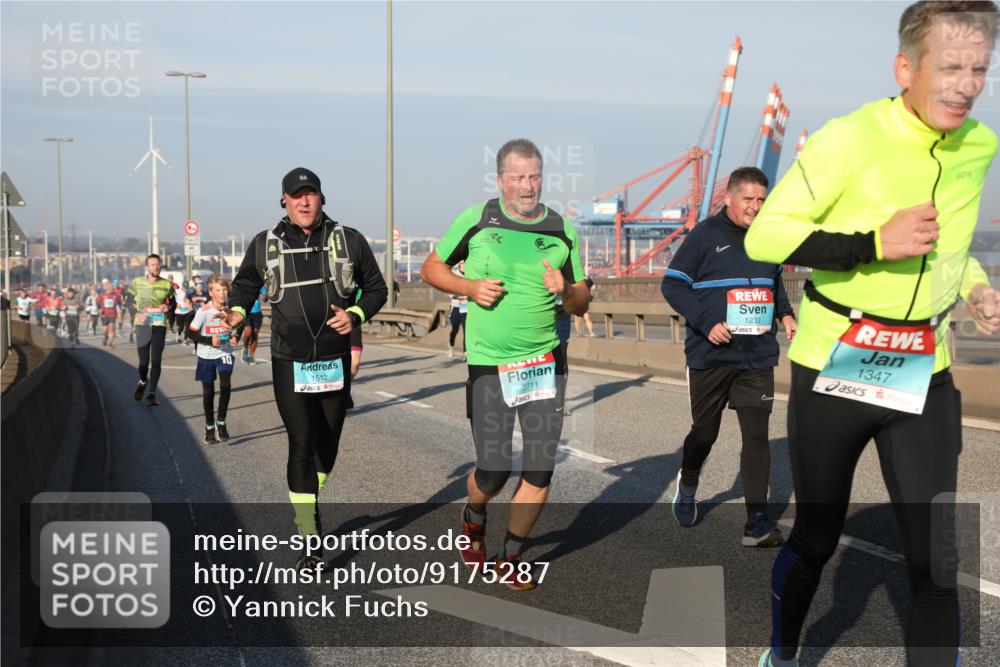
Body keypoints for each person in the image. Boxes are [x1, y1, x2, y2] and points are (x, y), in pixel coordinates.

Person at [743, 4, 999, 665]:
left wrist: (973, 285)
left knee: (936, 561)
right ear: (905, 67)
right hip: (837, 362)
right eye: (951, 68)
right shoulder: (849, 138)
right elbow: (765, 234)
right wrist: (871, 242)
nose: (966, 85)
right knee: (819, 539)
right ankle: (785, 647)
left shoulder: (980, 145)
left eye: (980, 69)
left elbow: (952, 244)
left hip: (924, 366)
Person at [419, 138, 590, 590]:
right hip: (491, 364)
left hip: (545, 361)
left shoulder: (561, 229)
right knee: (493, 471)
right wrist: (469, 287)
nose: (528, 186)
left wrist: (566, 290)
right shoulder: (476, 220)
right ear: (500, 180)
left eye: (534, 176)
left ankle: (511, 555)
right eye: (518, 177)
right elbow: (431, 269)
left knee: (539, 469)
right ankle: (474, 514)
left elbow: (582, 298)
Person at [224, 167, 387, 570]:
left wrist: (355, 314)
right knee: (301, 441)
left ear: (321, 198)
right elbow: (245, 284)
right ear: (284, 201)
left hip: (333, 360)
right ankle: (309, 537)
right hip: (288, 358)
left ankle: (308, 500)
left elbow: (378, 288)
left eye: (310, 194)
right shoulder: (266, 244)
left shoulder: (350, 240)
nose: (303, 201)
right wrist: (237, 311)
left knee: (327, 446)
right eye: (296, 195)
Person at [661, 166, 796, 547]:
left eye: (761, 200)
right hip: (711, 354)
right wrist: (707, 322)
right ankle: (688, 483)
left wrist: (785, 313)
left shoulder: (767, 237)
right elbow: (672, 285)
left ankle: (756, 521)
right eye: (749, 199)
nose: (756, 207)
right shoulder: (705, 236)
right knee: (706, 432)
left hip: (756, 355)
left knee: (757, 437)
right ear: (729, 198)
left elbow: (773, 283)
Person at [188, 275, 236, 444]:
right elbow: (191, 332)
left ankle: (221, 423)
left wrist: (233, 337)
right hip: (206, 355)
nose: (222, 293)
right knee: (208, 392)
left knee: (225, 384)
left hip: (224, 353)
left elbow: (234, 327)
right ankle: (209, 426)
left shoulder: (230, 310)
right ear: (210, 292)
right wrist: (209, 340)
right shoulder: (203, 312)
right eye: (218, 290)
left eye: (224, 289)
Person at [125, 254, 174, 406]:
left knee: (156, 360)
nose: (156, 267)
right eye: (153, 264)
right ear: (147, 267)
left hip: (159, 325)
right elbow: (128, 301)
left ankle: (152, 393)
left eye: (158, 264)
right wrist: (137, 314)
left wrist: (169, 307)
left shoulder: (167, 284)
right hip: (142, 325)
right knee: (144, 362)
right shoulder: (137, 283)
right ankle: (143, 380)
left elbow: (173, 303)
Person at [241, 286, 266, 365]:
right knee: (248, 333)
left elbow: (265, 299)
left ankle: (251, 356)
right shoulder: (245, 284)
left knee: (255, 335)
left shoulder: (261, 285)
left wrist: (264, 297)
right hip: (246, 312)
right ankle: (245, 349)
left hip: (257, 313)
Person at [447, 262, 468, 359]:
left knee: (466, 330)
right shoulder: (455, 275)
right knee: (454, 329)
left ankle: (465, 353)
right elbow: (450, 290)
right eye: (463, 263)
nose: (465, 264)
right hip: (455, 306)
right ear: (459, 265)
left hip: (466, 306)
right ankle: (451, 345)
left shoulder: (471, 275)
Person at [98, 279, 120, 348]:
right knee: (105, 330)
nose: (111, 288)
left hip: (112, 314)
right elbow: (98, 303)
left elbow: (119, 304)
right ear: (106, 287)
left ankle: (110, 343)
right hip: (104, 314)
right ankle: (105, 337)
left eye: (112, 287)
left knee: (111, 328)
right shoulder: (102, 295)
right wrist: (100, 309)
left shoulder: (116, 295)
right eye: (109, 287)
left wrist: (119, 313)